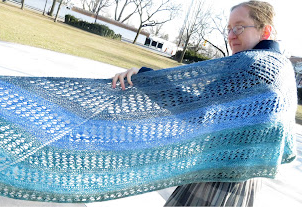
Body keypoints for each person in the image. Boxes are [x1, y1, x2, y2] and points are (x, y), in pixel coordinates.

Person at [112, 1, 282, 206]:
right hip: (247, 183)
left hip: (217, 181)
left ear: (266, 31)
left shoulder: (251, 66)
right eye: (228, 29)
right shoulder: (281, 68)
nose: (230, 35)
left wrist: (147, 78)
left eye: (239, 27)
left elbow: (196, 110)